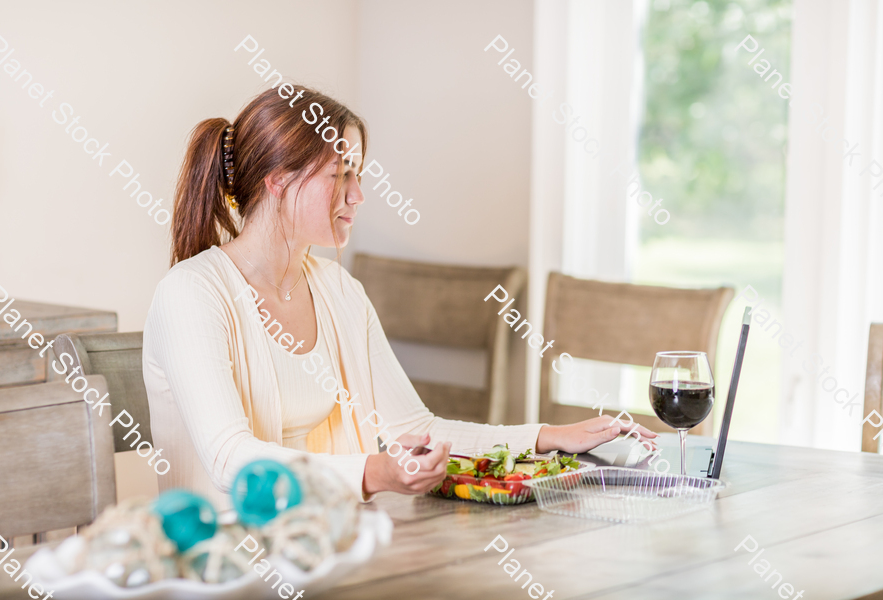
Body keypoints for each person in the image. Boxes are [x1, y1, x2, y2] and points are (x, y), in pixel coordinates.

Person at [143, 85, 656, 508]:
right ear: (279, 180)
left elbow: (416, 428)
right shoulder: (191, 294)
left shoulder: (339, 290)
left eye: (358, 174)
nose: (358, 194)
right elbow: (232, 460)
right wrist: (376, 473)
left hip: (329, 554)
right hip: (220, 570)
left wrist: (546, 437)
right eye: (340, 174)